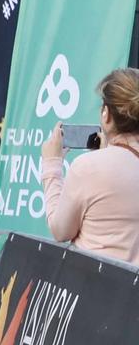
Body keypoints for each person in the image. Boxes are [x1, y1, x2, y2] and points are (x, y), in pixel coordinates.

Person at [42, 67, 139, 264]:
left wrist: (51, 166)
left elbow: (60, 230)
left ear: (106, 114)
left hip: (95, 288)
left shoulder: (87, 168)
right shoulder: (92, 167)